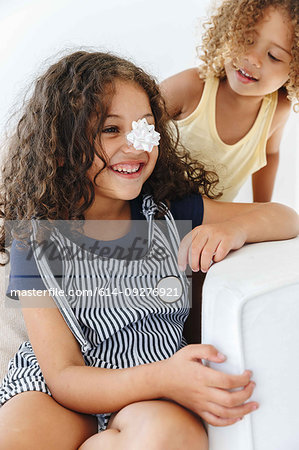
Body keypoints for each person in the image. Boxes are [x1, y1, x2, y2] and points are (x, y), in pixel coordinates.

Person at [0, 51, 298, 450]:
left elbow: (285, 217)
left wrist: (235, 228)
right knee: (18, 433)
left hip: (150, 386)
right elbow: (64, 375)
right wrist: (161, 378)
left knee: (171, 435)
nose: (135, 145)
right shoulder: (34, 240)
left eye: (145, 128)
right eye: (110, 129)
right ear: (61, 146)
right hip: (66, 390)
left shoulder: (171, 213)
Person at [161, 0, 299, 202]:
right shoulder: (191, 87)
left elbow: (269, 156)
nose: (252, 58)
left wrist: (261, 207)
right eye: (246, 40)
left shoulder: (277, 109)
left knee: (286, 218)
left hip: (212, 219)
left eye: (274, 56)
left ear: (294, 72)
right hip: (158, 203)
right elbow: (132, 123)